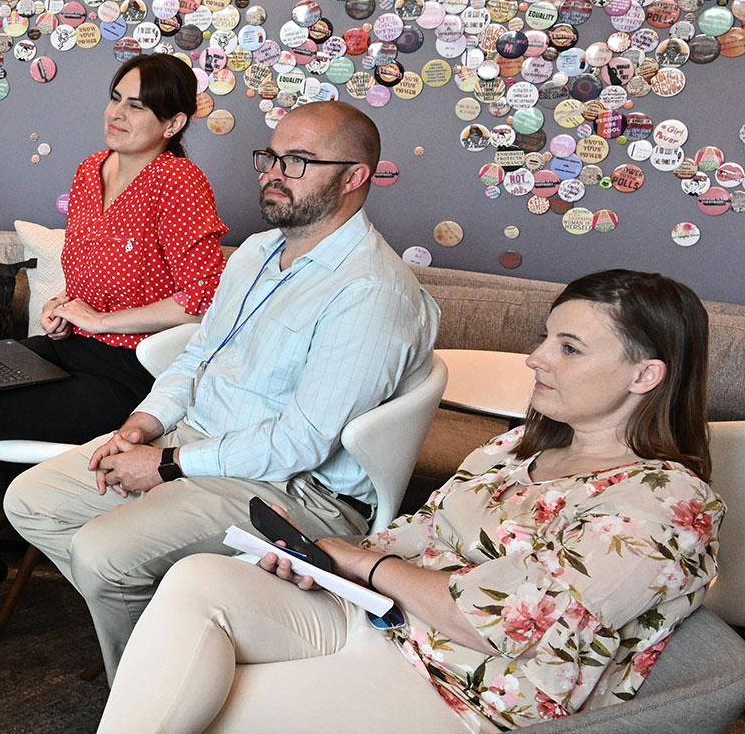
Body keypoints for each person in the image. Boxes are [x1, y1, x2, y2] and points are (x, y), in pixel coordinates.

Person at [100, 269, 723, 733]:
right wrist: (321, 560)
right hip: (389, 620)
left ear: (646, 376)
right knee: (197, 577)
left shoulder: (668, 501)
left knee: (212, 711)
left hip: (468, 690)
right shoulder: (515, 448)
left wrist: (361, 564)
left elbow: (506, 623)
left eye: (570, 347)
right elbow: (420, 532)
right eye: (546, 337)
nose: (536, 358)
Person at [5, 100, 441, 681]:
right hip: (200, 441)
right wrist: (144, 424)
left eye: (298, 161)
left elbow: (302, 444)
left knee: (104, 554)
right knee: (31, 499)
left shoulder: (371, 293)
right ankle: (172, 645)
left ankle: (146, 692)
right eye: (270, 157)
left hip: (297, 489)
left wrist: (166, 465)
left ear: (354, 177)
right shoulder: (258, 253)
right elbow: (197, 355)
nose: (273, 173)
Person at [0, 53, 228, 620]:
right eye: (116, 97)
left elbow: (202, 299)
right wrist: (63, 306)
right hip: (72, 346)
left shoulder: (178, 181)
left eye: (138, 105)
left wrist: (100, 320)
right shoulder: (90, 169)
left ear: (173, 124)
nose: (118, 113)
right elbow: (90, 272)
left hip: (132, 376)